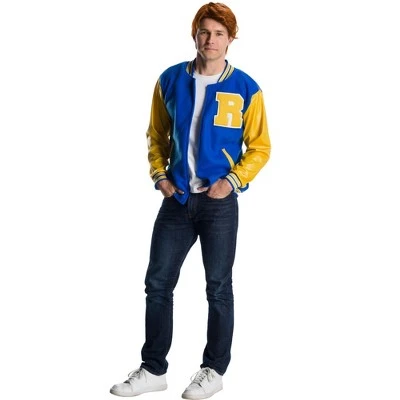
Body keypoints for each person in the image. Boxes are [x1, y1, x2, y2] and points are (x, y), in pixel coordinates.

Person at [110, 2, 271, 399]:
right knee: (157, 283)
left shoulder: (246, 88)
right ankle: (153, 370)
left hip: (219, 203)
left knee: (218, 287)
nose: (210, 39)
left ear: (230, 40)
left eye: (219, 33)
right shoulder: (170, 80)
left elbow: (260, 147)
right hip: (177, 200)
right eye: (204, 31)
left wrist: (232, 182)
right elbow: (156, 135)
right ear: (194, 35)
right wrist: (160, 176)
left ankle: (213, 370)